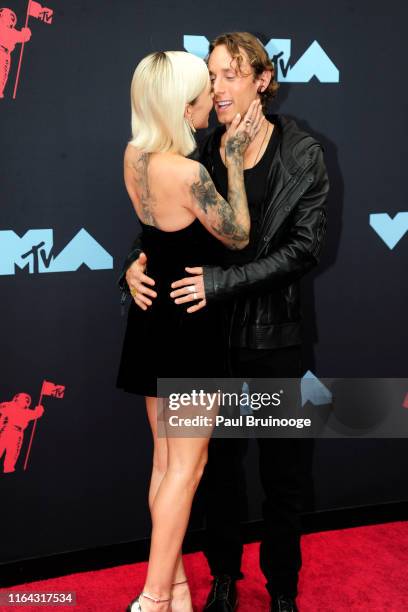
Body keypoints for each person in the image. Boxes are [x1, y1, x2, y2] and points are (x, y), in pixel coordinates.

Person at [120, 33, 329, 612]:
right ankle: (219, 581)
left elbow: (304, 248)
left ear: (262, 80)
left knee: (283, 473)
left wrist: (220, 283)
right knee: (211, 474)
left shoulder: (303, 152)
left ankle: (282, 589)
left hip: (274, 337)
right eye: (211, 76)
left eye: (231, 74)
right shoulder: (201, 149)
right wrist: (130, 269)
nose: (218, 87)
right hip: (209, 338)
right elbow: (161, 229)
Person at [115, 50, 264, 612]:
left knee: (163, 464)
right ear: (185, 105)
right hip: (188, 325)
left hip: (150, 318)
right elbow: (239, 235)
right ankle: (152, 597)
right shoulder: (191, 172)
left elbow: (155, 237)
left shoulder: (134, 156)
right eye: (205, 90)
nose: (213, 98)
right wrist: (230, 161)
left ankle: (175, 588)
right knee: (188, 468)